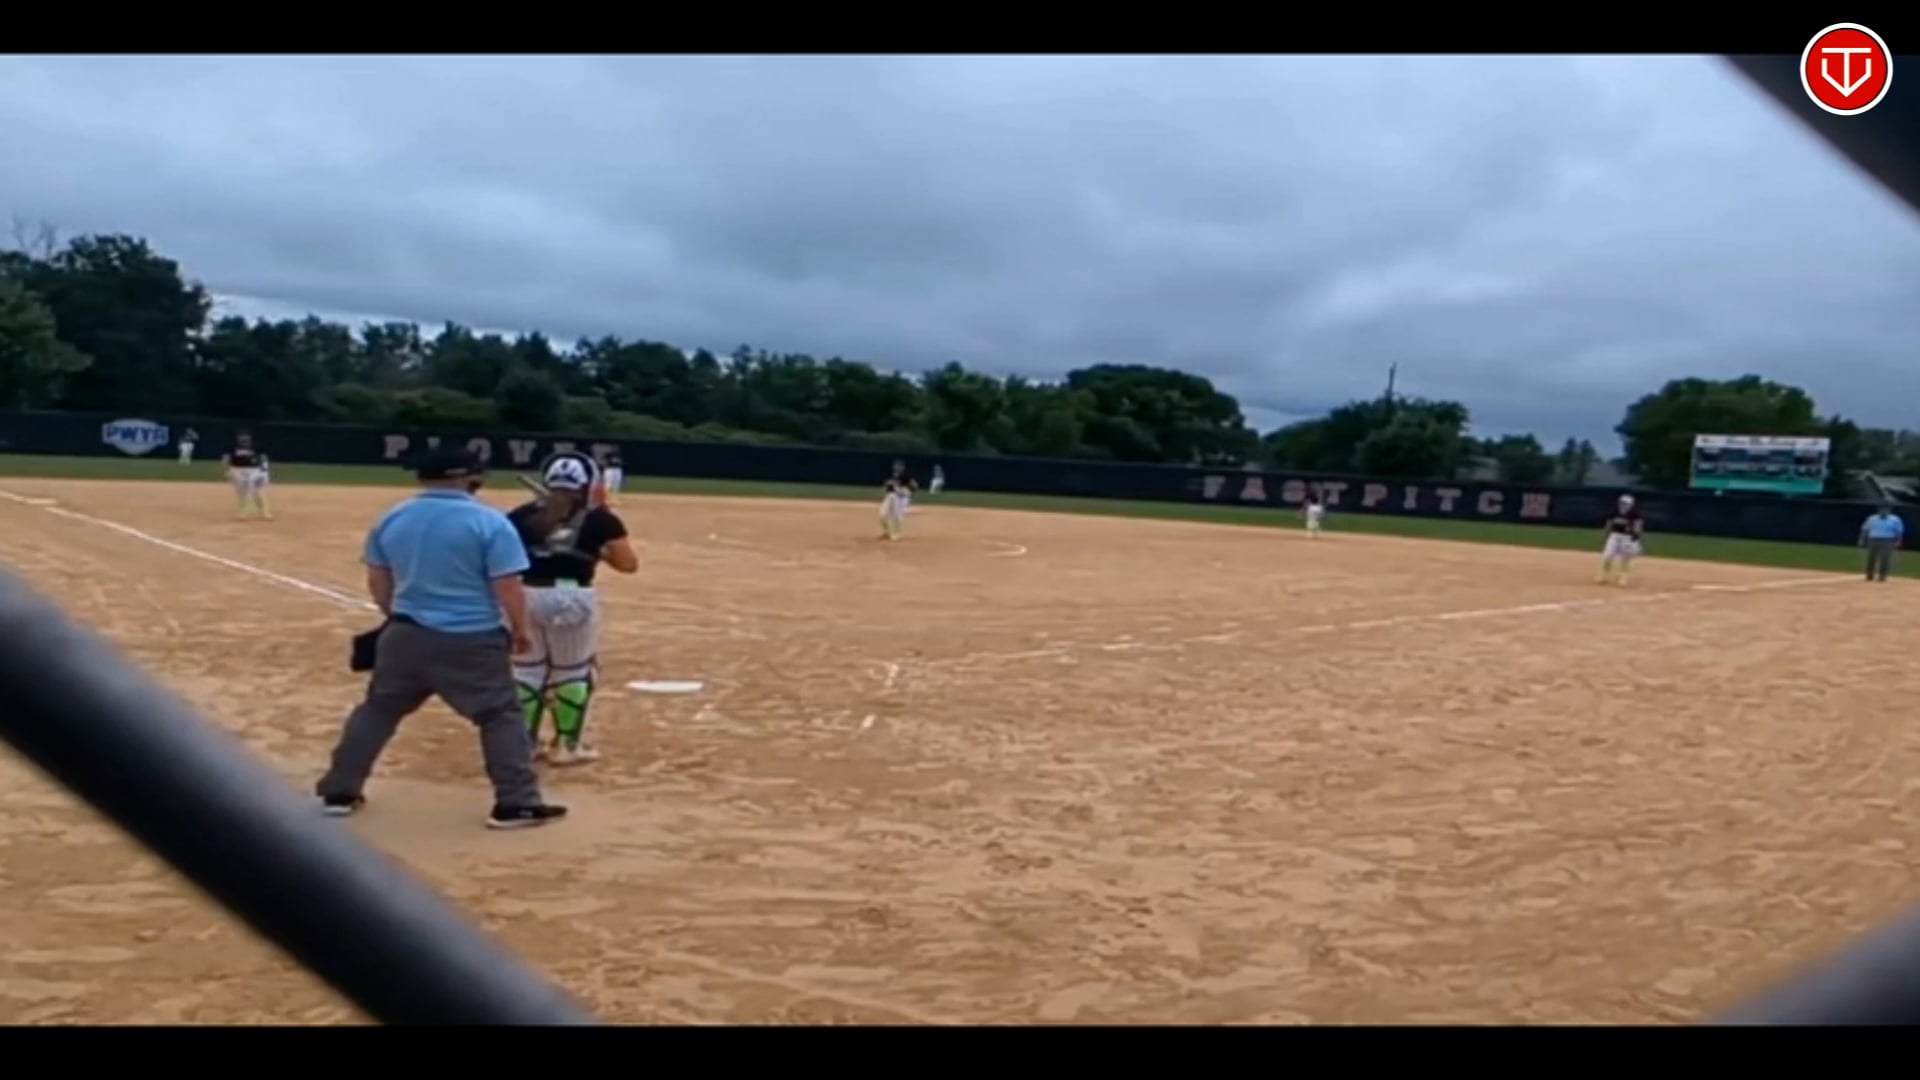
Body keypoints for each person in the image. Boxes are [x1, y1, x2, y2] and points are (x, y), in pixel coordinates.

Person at [314, 445, 567, 830]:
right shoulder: (489, 522)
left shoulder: (393, 517)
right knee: (499, 715)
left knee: (378, 710)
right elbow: (508, 585)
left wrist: (395, 617)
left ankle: (339, 792)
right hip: (470, 637)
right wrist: (520, 630)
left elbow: (379, 579)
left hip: (404, 634)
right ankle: (516, 802)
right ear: (467, 477)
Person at [507, 452, 639, 765]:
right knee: (572, 671)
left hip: (526, 593)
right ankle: (566, 745)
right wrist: (597, 551)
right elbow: (628, 565)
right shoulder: (600, 519)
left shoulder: (521, 516)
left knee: (527, 671)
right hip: (573, 595)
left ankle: (525, 744)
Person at [221, 432, 273, 520]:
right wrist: (226, 470)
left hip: (255, 470)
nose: (244, 442)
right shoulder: (232, 448)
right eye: (242, 440)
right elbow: (226, 459)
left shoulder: (257, 447)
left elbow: (264, 459)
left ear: (249, 440)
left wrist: (265, 470)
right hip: (237, 470)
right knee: (242, 493)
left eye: (245, 440)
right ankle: (243, 513)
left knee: (258, 491)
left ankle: (264, 512)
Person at [1598, 493, 1645, 586]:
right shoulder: (1614, 512)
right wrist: (1606, 537)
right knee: (1607, 555)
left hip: (1627, 537)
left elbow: (1638, 526)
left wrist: (1636, 538)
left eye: (1625, 503)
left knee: (1626, 558)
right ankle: (1604, 575)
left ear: (1631, 504)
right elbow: (1608, 525)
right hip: (1614, 536)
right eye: (1622, 502)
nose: (1623, 504)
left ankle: (1623, 577)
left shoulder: (1635, 515)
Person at [1859, 503, 1905, 582]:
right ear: (1879, 510)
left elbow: (1899, 531)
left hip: (1887, 540)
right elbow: (1865, 529)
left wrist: (1898, 541)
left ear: (1889, 511)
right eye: (1882, 510)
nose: (1884, 511)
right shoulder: (1872, 518)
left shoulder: (1895, 519)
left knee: (1885, 558)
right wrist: (1862, 539)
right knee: (1871, 558)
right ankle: (1870, 574)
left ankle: (1882, 575)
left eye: (1886, 510)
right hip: (1873, 539)